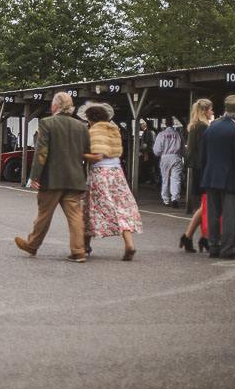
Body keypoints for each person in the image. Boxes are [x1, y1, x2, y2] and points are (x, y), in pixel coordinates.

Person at [14, 92, 90, 263]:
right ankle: (79, 251)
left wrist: (34, 175)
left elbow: (42, 152)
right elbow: (87, 152)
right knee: (75, 215)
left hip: (52, 178)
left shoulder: (47, 123)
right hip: (75, 178)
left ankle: (32, 245)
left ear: (55, 106)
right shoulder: (82, 127)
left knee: (44, 214)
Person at [78, 102, 142, 261]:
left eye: (88, 119)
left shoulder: (95, 131)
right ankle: (129, 243)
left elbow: (97, 156)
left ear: (92, 118)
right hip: (117, 172)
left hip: (100, 173)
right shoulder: (114, 130)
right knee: (121, 207)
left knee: (91, 207)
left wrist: (80, 154)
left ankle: (85, 244)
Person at [200, 95, 235, 260]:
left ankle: (214, 248)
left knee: (213, 215)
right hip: (230, 179)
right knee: (229, 217)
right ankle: (228, 249)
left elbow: (203, 156)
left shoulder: (210, 128)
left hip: (210, 177)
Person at [181, 98, 213, 253]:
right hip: (203, 168)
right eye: (211, 109)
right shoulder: (203, 127)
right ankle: (203, 237)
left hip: (196, 168)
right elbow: (204, 151)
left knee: (204, 206)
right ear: (205, 111)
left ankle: (190, 237)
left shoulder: (194, 126)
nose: (213, 112)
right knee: (207, 205)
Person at [153, 118, 183, 208]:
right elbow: (183, 148)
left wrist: (160, 154)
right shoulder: (178, 134)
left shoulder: (161, 135)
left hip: (165, 157)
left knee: (165, 179)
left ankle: (166, 199)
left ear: (165, 124)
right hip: (176, 157)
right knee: (176, 178)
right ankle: (175, 198)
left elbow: (157, 151)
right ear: (173, 124)